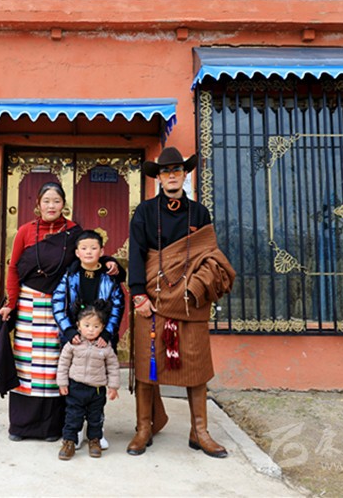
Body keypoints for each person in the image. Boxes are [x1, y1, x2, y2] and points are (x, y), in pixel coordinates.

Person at [126, 147, 236, 457]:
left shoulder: (199, 213)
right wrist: (138, 294)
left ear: (185, 175)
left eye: (177, 170)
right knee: (147, 365)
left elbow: (211, 256)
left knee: (196, 366)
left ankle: (199, 431)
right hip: (152, 299)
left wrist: (196, 288)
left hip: (190, 301)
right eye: (166, 171)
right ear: (159, 178)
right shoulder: (145, 211)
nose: (172, 175)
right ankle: (144, 427)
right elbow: (136, 253)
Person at [0, 182, 119, 442]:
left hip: (58, 307)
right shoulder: (25, 231)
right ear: (38, 204)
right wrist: (11, 302)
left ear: (64, 204)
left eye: (56, 201)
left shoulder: (73, 231)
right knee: (28, 365)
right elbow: (14, 268)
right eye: (46, 201)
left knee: (56, 363)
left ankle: (53, 427)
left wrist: (110, 262)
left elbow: (90, 254)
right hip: (29, 305)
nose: (51, 206)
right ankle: (21, 425)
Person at [52, 229, 125, 449]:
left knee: (96, 386)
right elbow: (58, 302)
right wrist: (68, 331)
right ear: (77, 252)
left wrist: (107, 333)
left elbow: (117, 306)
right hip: (76, 336)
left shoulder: (109, 277)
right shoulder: (70, 275)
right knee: (75, 385)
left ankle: (95, 432)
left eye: (94, 248)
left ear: (102, 251)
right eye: (84, 248)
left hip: (100, 337)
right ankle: (74, 431)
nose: (89, 252)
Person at [56, 302, 121, 460]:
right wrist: (62, 383)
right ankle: (69, 442)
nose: (91, 330)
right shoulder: (73, 344)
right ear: (78, 326)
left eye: (96, 326)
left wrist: (113, 387)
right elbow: (63, 363)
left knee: (96, 418)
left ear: (102, 327)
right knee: (73, 416)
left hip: (96, 390)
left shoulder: (105, 347)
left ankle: (94, 441)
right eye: (87, 325)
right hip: (75, 388)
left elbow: (113, 367)